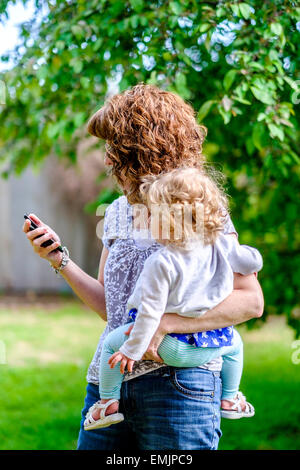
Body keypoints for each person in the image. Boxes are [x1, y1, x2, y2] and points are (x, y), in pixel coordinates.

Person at [23, 84, 264, 450]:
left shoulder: (196, 206)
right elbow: (113, 308)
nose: (106, 160)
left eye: (114, 149)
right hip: (110, 384)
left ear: (143, 149)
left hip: (181, 387)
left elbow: (250, 301)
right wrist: (61, 260)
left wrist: (165, 325)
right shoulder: (117, 211)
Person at [83, 168, 261, 430]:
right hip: (208, 344)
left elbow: (151, 314)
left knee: (112, 345)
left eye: (153, 214)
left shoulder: (162, 261)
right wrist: (253, 262)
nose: (148, 220)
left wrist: (131, 350)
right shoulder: (220, 246)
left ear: (169, 221)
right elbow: (250, 259)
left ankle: (107, 404)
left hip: (168, 347)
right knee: (235, 346)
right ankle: (230, 398)